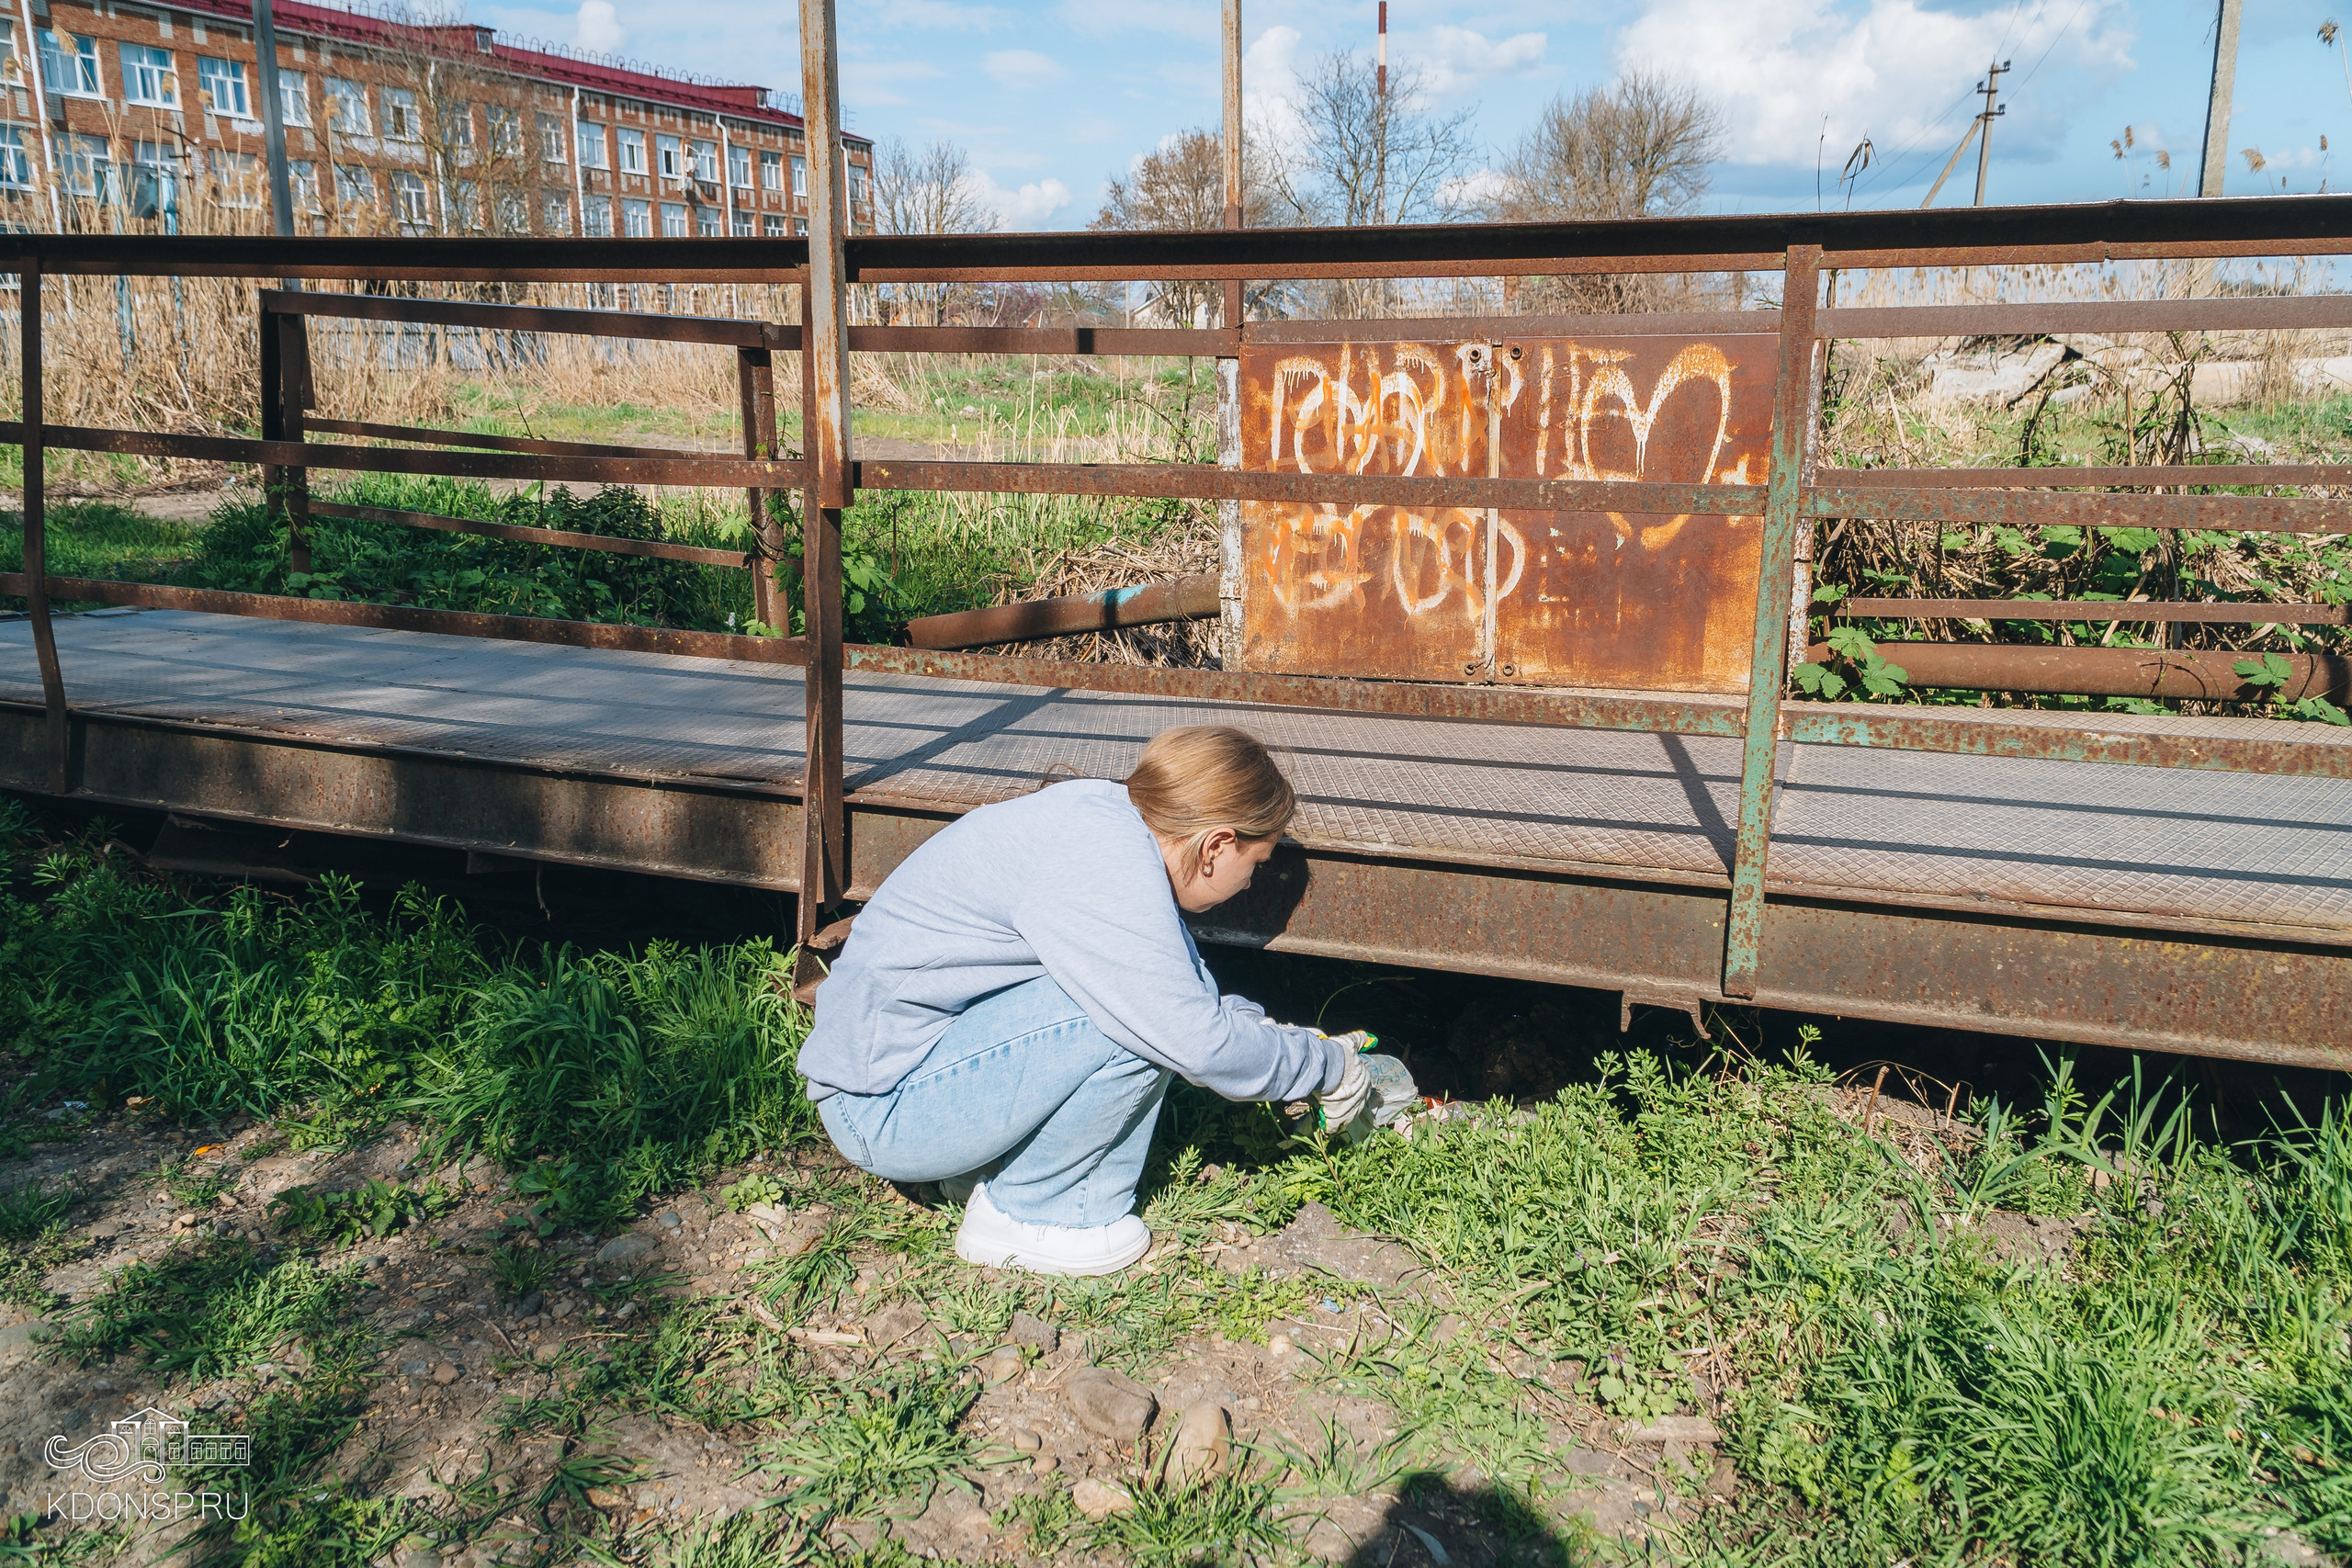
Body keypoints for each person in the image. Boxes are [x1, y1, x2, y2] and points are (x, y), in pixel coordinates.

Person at [797, 724, 1376, 1276]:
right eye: (1257, 863)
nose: (1251, 884)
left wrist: (1282, 1043)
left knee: (1147, 1008)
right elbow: (1193, 1037)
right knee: (1136, 1027)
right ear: (1217, 844)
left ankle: (988, 1167)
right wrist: (1326, 1068)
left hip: (900, 1076)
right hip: (882, 1108)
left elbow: (1184, 986)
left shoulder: (1110, 823)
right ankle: (1038, 1213)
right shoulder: (1103, 863)